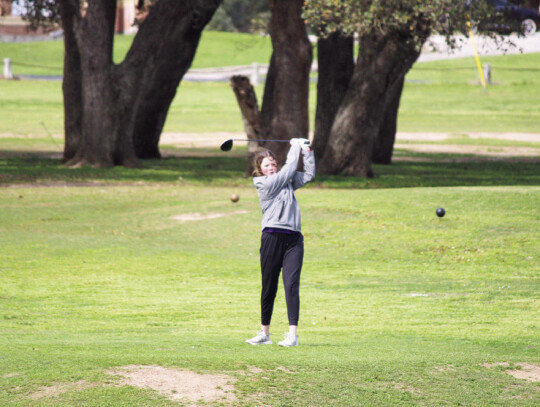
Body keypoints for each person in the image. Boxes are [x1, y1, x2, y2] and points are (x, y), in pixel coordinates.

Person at [245, 138, 315, 347]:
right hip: (272, 237)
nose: (272, 167)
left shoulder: (287, 181)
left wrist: (307, 150)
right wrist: (294, 146)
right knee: (269, 285)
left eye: (274, 164)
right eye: (267, 165)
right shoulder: (264, 183)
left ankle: (292, 335)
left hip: (294, 239)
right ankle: (264, 332)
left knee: (291, 284)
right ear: (260, 170)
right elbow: (287, 171)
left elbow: (309, 175)